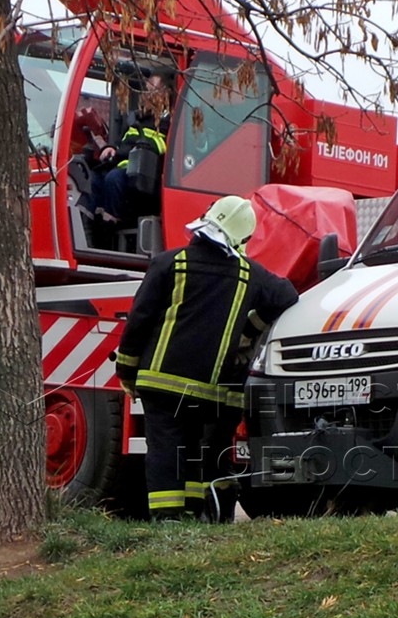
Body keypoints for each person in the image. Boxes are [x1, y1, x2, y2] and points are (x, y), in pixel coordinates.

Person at [115, 195, 298, 519]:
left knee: (167, 451)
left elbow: (139, 322)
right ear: (241, 238)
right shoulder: (249, 274)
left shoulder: (170, 263)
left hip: (161, 383)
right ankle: (206, 517)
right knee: (206, 454)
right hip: (210, 391)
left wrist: (127, 371)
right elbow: (287, 296)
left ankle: (169, 524)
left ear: (206, 221)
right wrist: (249, 329)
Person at [90, 70, 171, 229]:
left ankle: (110, 227)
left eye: (151, 90)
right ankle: (93, 223)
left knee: (113, 179)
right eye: (145, 90)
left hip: (145, 173)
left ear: (165, 94)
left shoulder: (169, 122)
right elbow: (122, 143)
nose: (146, 95)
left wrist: (137, 147)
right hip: (124, 166)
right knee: (93, 178)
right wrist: (111, 148)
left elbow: (160, 145)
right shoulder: (135, 118)